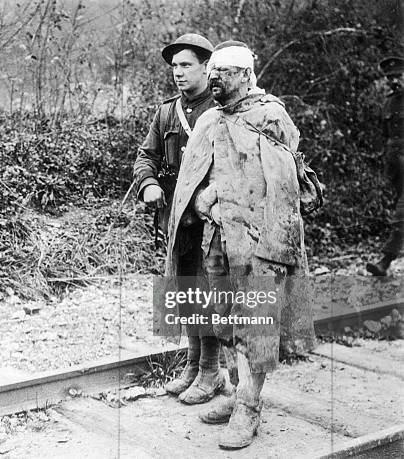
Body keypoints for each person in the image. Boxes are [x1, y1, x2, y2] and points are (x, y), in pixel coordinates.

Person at [164, 40, 315, 449]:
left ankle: (249, 406)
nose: (214, 79)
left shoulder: (270, 116)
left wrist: (228, 194)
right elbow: (192, 178)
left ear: (246, 75)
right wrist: (202, 199)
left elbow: (282, 183)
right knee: (224, 319)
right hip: (218, 238)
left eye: (224, 73)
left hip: (260, 242)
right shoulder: (211, 119)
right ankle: (233, 392)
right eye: (211, 73)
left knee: (258, 325)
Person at [134, 34, 235, 403]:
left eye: (186, 65)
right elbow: (146, 155)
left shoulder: (223, 110)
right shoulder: (166, 112)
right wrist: (147, 183)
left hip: (211, 221)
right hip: (177, 220)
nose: (178, 73)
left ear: (206, 67)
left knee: (210, 293)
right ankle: (193, 365)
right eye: (174, 66)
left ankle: (213, 371)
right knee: (184, 290)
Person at [366, 56, 404, 276]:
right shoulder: (388, 103)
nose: (394, 81)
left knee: (401, 215)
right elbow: (385, 135)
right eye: (390, 78)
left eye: (398, 76)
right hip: (396, 168)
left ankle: (385, 261)